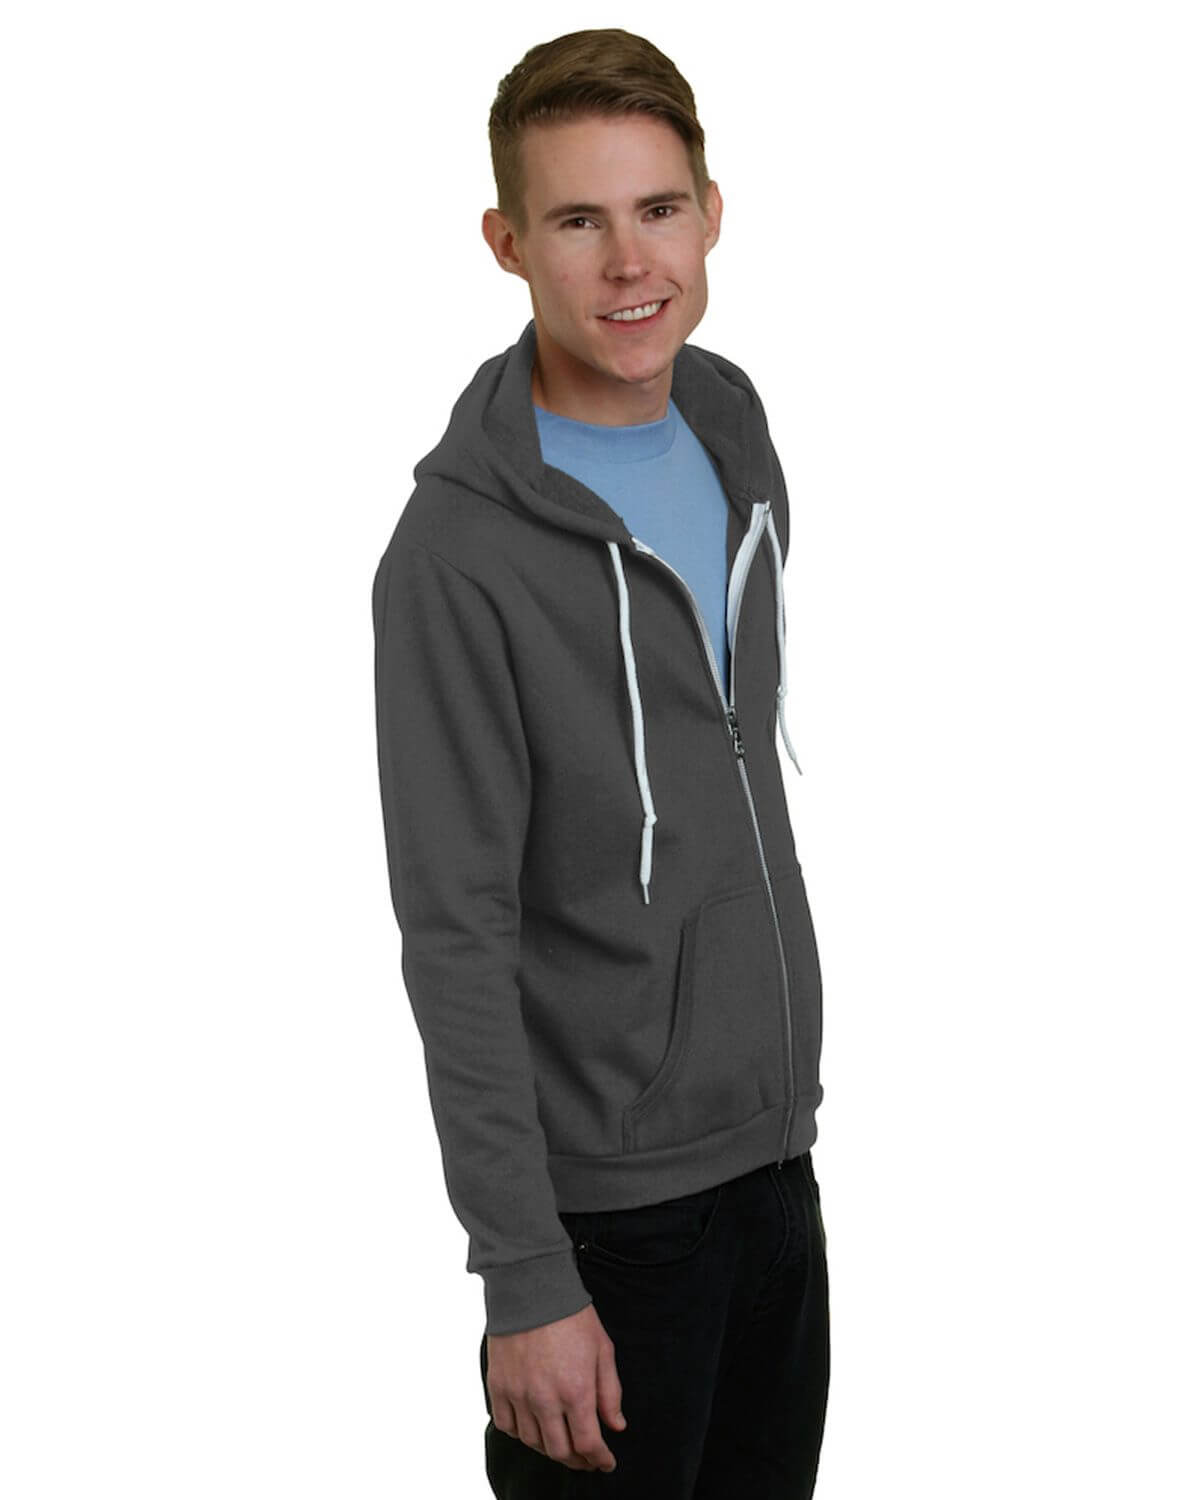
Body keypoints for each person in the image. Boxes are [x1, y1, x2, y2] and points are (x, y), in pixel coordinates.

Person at [371, 27, 829, 1498]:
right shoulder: (456, 556)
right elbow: (455, 931)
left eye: (658, 209)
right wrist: (524, 1277)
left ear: (712, 214)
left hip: (777, 1164)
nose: (630, 263)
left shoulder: (731, 423)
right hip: (606, 1225)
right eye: (577, 220)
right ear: (506, 243)